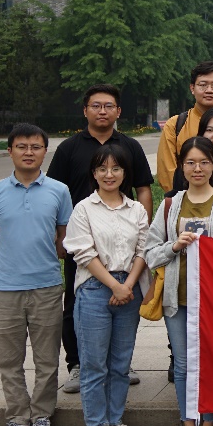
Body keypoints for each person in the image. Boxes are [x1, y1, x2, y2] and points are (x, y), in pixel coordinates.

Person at [46, 83, 153, 395]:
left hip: (122, 238)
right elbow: (55, 194)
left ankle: (121, 363)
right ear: (85, 111)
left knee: (126, 302)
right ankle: (78, 363)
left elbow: (143, 189)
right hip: (81, 241)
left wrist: (144, 230)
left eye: (108, 106)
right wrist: (59, 236)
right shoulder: (69, 148)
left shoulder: (130, 146)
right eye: (96, 105)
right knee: (75, 302)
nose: (102, 111)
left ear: (118, 111)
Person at [145, 137, 213, 426]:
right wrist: (174, 246)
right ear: (182, 166)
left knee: (211, 362)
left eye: (204, 162)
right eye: (190, 162)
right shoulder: (170, 204)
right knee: (183, 363)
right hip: (178, 297)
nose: (197, 168)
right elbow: (149, 252)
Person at [0, 124, 72, 426]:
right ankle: (18, 419)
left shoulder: (59, 191)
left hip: (46, 286)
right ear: (10, 151)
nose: (29, 152)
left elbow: (63, 238)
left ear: (45, 151)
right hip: (6, 288)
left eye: (36, 146)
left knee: (47, 359)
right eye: (22, 146)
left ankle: (42, 416)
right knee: (9, 359)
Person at [61, 144, 149, 426]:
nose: (109, 174)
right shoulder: (83, 209)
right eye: (102, 169)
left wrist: (129, 286)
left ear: (125, 173)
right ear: (94, 173)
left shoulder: (136, 210)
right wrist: (115, 286)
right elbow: (83, 253)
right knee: (94, 364)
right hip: (95, 289)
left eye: (115, 168)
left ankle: (115, 422)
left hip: (130, 289)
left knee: (120, 364)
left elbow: (143, 250)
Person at [157, 60, 213, 194]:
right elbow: (167, 172)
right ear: (192, 88)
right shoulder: (175, 125)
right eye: (203, 85)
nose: (209, 90)